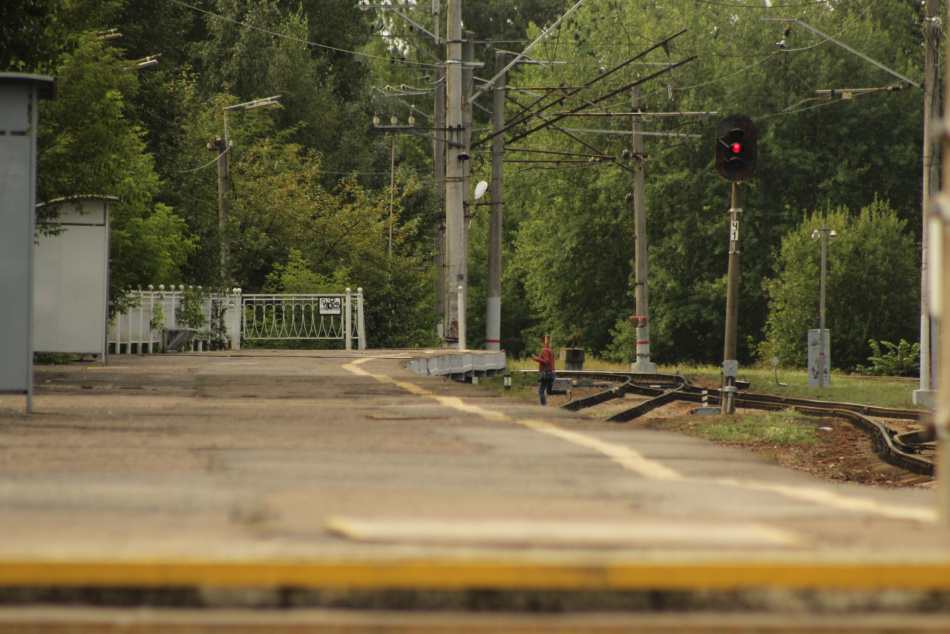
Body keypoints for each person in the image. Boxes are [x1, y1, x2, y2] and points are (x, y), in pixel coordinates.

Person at [531, 334, 569, 405]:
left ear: (543, 342)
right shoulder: (551, 350)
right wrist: (538, 358)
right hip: (552, 372)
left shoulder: (545, 350)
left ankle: (543, 407)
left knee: (541, 391)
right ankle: (566, 392)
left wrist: (536, 359)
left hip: (547, 373)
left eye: (541, 343)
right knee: (549, 391)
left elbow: (546, 361)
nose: (541, 345)